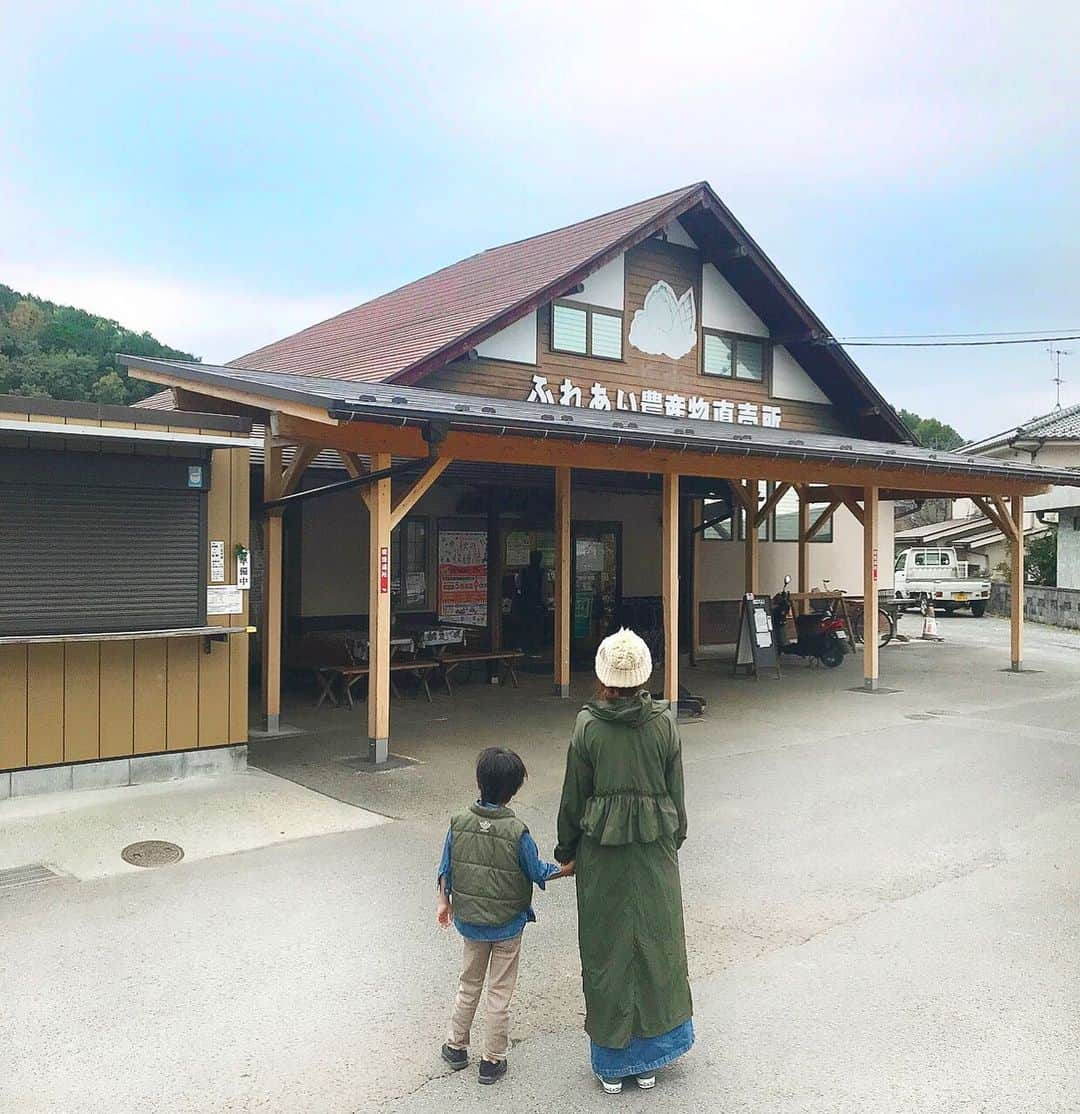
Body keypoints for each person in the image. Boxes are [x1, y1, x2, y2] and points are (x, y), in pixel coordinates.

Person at [554, 628, 693, 1095]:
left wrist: (566, 850)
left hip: (602, 852)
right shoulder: (665, 723)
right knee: (656, 944)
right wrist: (673, 836)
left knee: (606, 948)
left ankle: (611, 1062)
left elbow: (574, 797)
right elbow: (676, 792)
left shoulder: (587, 726)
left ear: (604, 676)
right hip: (654, 848)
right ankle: (651, 1059)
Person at [437, 746, 574, 1085]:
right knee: (499, 991)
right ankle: (491, 1059)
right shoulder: (518, 831)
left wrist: (444, 902)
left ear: (479, 781)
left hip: (470, 922)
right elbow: (536, 870)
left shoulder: (459, 823)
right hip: (508, 925)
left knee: (468, 984)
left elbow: (445, 868)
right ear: (512, 792)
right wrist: (565, 870)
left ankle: (455, 1046)